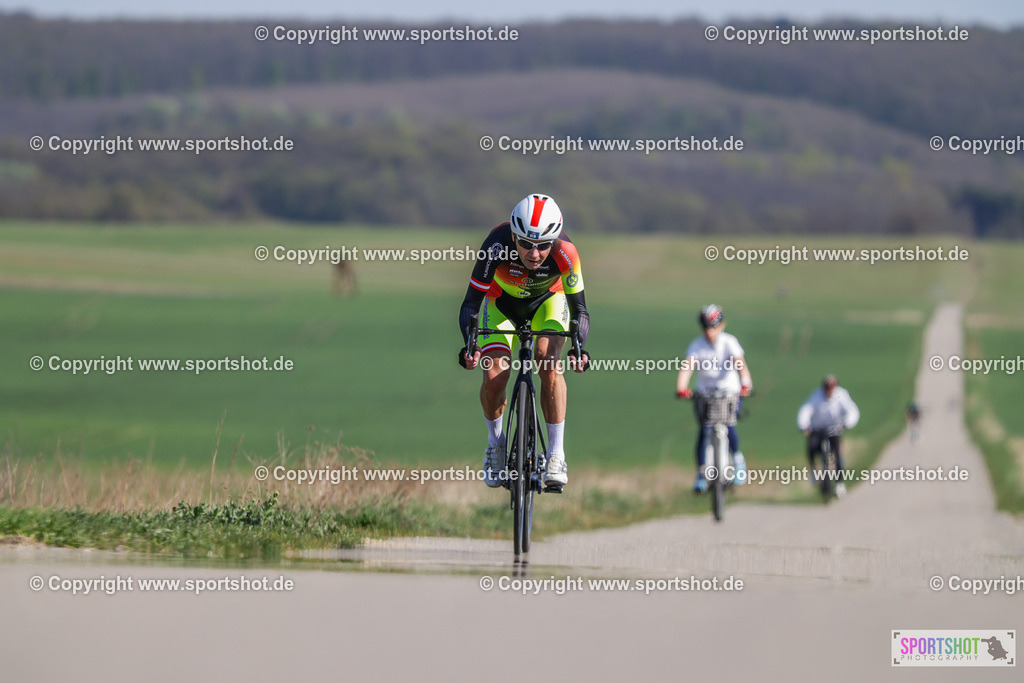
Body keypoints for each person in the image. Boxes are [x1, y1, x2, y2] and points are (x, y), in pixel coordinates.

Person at [458, 194, 591, 488]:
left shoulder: (566, 251)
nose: (535, 253)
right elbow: (471, 303)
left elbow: (580, 310)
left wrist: (578, 346)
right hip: (501, 303)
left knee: (548, 361)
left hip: (548, 302)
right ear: (513, 237)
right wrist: (470, 344)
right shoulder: (495, 245)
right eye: (526, 243)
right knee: (494, 372)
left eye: (543, 245)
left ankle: (556, 454)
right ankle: (496, 444)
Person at [675, 304, 752, 493]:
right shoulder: (697, 345)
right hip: (705, 394)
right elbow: (687, 367)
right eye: (706, 327)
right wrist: (682, 388)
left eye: (713, 327)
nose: (710, 331)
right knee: (704, 430)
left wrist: (745, 384)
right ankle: (701, 474)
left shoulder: (729, 342)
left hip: (729, 392)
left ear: (721, 325)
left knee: (729, 424)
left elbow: (740, 365)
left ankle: (738, 460)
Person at [797, 375, 860, 498]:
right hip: (818, 428)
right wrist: (803, 425)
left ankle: (840, 482)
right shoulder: (817, 396)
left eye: (831, 388)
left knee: (837, 454)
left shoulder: (841, 395)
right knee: (811, 447)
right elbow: (806, 409)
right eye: (827, 388)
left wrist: (847, 422)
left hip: (835, 429)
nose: (829, 391)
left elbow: (852, 411)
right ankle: (814, 471)